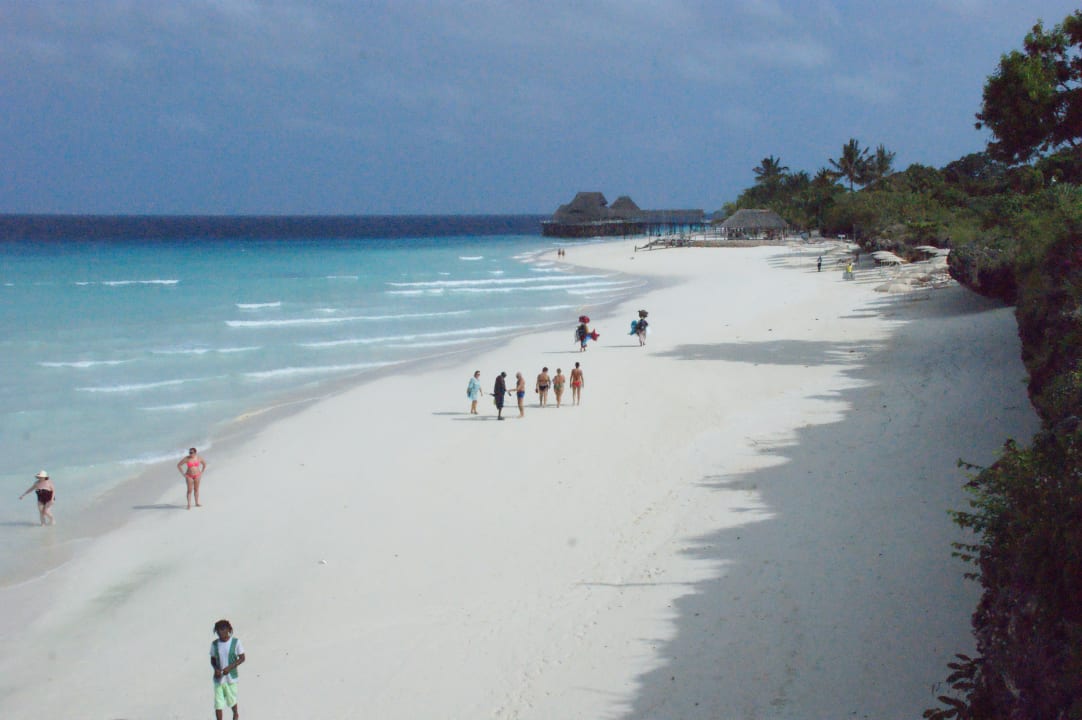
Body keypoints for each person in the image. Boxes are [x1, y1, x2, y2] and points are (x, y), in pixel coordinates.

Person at [210, 619, 246, 720]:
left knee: (231, 700)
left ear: (228, 630)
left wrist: (230, 667)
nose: (220, 632)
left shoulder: (236, 642)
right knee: (218, 703)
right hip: (218, 679)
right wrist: (216, 668)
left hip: (231, 678)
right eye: (218, 631)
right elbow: (212, 659)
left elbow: (242, 657)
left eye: (222, 629)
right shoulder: (214, 644)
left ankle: (235, 713)